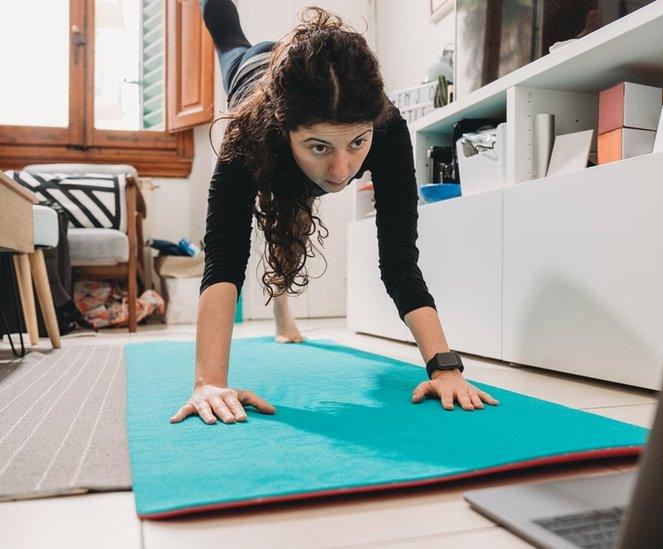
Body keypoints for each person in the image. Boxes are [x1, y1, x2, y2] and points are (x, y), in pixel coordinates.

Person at [170, 1, 498, 425]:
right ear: (285, 131)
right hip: (251, 71)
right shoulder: (246, 136)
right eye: (319, 147)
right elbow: (224, 258)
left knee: (296, 209)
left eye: (356, 143)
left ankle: (282, 311)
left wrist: (445, 367)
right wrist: (209, 382)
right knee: (225, 29)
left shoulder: (386, 127)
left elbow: (399, 261)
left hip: (307, 92)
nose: (342, 172)